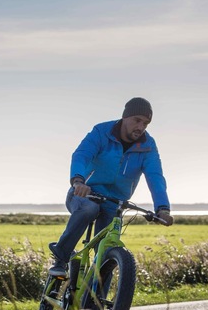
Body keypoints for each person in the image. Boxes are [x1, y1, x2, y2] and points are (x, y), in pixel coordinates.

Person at [48, 97, 174, 277]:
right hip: (84, 193)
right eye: (137, 120)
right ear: (125, 117)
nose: (141, 127)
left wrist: (162, 208)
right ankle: (61, 257)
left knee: (106, 255)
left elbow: (155, 176)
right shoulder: (102, 132)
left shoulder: (147, 146)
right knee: (89, 209)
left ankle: (97, 302)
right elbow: (81, 155)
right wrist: (78, 181)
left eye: (145, 123)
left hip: (115, 202)